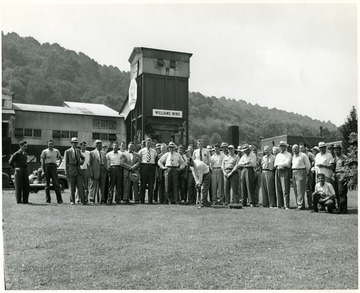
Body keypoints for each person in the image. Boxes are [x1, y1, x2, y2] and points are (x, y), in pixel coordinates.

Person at [40, 140, 63, 204]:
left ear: (53, 145)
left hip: (54, 166)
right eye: (49, 144)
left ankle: (59, 200)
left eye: (51, 144)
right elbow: (42, 162)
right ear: (47, 144)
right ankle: (48, 200)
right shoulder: (44, 151)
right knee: (47, 185)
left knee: (56, 184)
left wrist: (58, 164)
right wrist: (43, 171)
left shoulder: (56, 151)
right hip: (47, 167)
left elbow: (60, 158)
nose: (50, 145)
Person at [64, 137, 85, 205]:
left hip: (78, 170)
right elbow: (65, 163)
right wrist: (66, 172)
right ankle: (72, 201)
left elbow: (83, 157)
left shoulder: (78, 151)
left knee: (80, 186)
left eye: (76, 143)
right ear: (71, 143)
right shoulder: (67, 151)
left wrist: (81, 162)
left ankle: (82, 201)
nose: (75, 144)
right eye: (74, 143)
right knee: (72, 187)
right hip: (71, 170)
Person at [291, 144, 311, 210]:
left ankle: (300, 205)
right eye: (293, 149)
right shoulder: (293, 156)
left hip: (301, 171)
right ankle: (300, 204)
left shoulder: (303, 155)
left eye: (295, 149)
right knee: (295, 189)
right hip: (294, 171)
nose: (294, 150)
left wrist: (307, 173)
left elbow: (308, 165)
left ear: (298, 149)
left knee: (300, 189)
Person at [274, 141, 292, 209]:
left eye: (283, 146)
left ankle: (286, 205)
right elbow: (275, 164)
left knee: (285, 189)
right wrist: (279, 165)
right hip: (278, 171)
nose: (281, 147)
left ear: (285, 147)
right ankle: (279, 204)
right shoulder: (278, 155)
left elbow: (287, 163)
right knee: (278, 188)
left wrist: (280, 165)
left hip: (285, 171)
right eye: (280, 146)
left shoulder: (289, 154)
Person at [138, 138, 157, 204]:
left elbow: (155, 159)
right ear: (145, 143)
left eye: (150, 142)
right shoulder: (141, 151)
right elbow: (139, 159)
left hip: (151, 167)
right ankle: (142, 199)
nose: (148, 144)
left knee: (151, 184)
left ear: (151, 143)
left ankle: (150, 200)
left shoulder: (154, 151)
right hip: (144, 166)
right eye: (147, 142)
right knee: (143, 184)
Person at [88, 140, 108, 204]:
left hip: (103, 170)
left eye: (101, 145)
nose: (100, 146)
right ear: (96, 145)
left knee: (102, 186)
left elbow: (106, 162)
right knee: (93, 186)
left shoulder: (104, 153)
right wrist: (91, 173)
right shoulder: (91, 153)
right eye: (98, 145)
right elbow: (89, 164)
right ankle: (92, 199)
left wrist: (106, 170)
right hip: (95, 170)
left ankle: (102, 200)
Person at [299, 143, 315, 209]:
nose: (300, 149)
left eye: (302, 148)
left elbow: (315, 160)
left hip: (308, 174)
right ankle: (302, 204)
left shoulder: (309, 154)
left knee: (308, 189)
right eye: (300, 148)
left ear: (305, 148)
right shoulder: (299, 155)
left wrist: (312, 167)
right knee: (301, 189)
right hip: (300, 174)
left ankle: (310, 204)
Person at [333, 144, 348, 213]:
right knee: (337, 192)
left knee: (342, 192)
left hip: (342, 175)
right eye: (335, 150)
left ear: (340, 150)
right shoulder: (335, 158)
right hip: (336, 175)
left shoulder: (344, 158)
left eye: (337, 149)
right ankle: (339, 207)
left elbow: (347, 167)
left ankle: (343, 209)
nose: (336, 151)